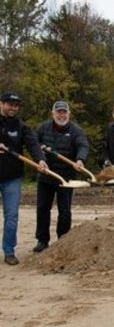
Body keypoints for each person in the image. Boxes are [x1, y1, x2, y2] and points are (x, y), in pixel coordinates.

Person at [33, 101, 89, 253]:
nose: (61, 115)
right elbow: (33, 145)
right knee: (43, 208)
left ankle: (63, 240)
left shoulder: (76, 131)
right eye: (58, 112)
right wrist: (39, 159)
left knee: (64, 211)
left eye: (64, 112)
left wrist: (80, 160)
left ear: (69, 114)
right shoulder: (43, 128)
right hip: (46, 175)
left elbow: (83, 146)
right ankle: (42, 240)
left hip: (66, 178)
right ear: (53, 114)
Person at [0, 93, 47, 264]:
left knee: (11, 216)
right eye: (9, 104)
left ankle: (9, 251)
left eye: (16, 105)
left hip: (12, 177)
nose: (13, 108)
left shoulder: (21, 126)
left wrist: (40, 160)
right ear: (1, 104)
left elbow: (33, 144)